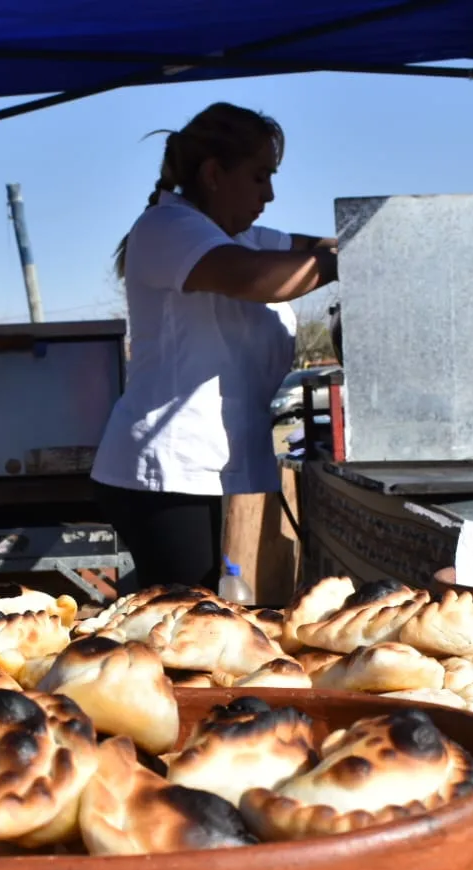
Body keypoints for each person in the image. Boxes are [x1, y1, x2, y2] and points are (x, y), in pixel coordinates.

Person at [90, 103, 338, 590]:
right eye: (259, 176)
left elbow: (319, 246)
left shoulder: (248, 236)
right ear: (213, 173)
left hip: (228, 471)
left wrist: (365, 245)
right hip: (170, 477)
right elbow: (257, 278)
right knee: (189, 630)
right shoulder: (166, 229)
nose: (270, 193)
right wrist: (335, 263)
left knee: (236, 626)